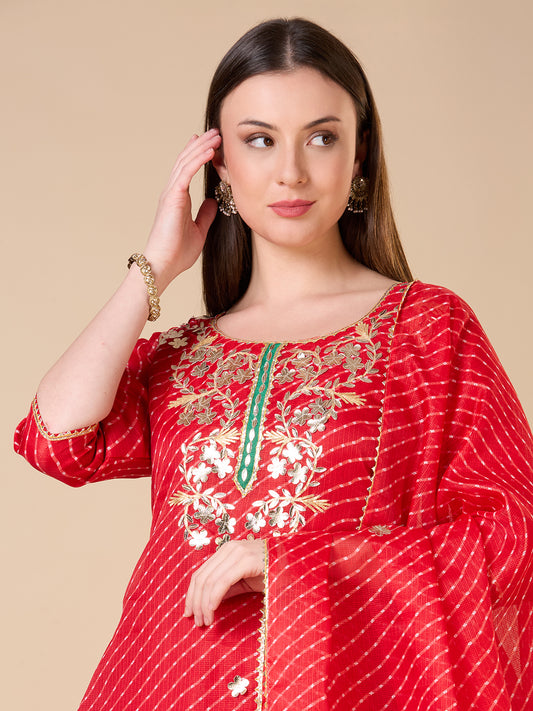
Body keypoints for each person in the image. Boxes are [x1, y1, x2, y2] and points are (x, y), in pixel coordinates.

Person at [13, 17, 533, 711]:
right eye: (259, 140)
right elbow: (55, 439)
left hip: (330, 689)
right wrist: (154, 269)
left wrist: (305, 563)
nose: (290, 171)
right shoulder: (182, 355)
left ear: (359, 155)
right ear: (220, 164)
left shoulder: (428, 330)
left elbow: (515, 536)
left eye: (321, 137)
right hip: (159, 685)